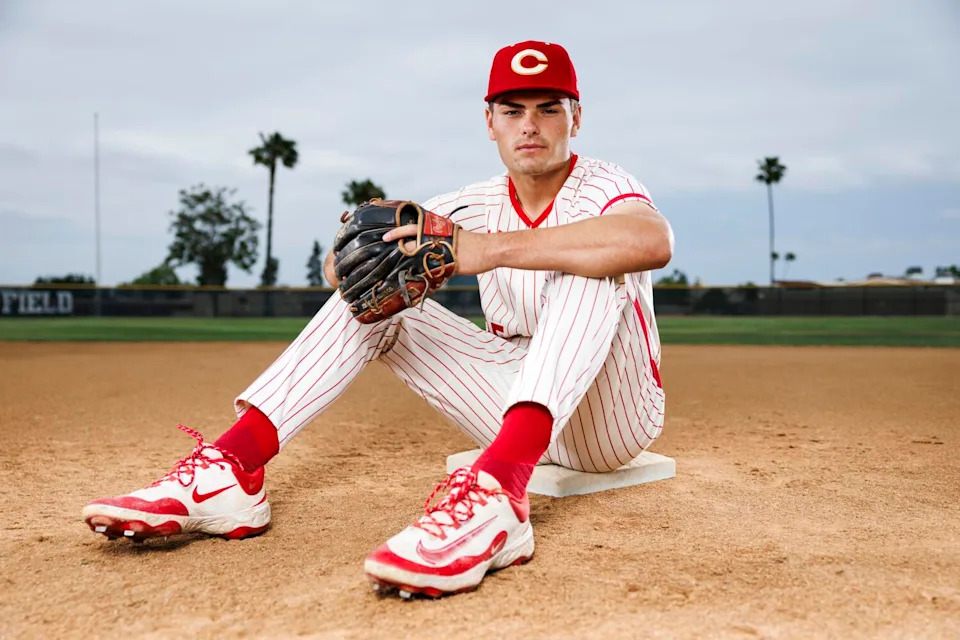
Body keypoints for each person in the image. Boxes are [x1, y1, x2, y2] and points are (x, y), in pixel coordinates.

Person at [82, 40, 674, 598]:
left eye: (549, 109)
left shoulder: (606, 186)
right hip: (509, 396)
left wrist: (482, 250)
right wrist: (362, 248)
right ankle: (233, 471)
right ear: (489, 120)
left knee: (596, 263)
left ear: (576, 117)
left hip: (609, 419)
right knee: (379, 290)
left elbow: (650, 240)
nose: (530, 124)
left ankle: (499, 498)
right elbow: (337, 273)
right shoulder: (471, 201)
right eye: (512, 109)